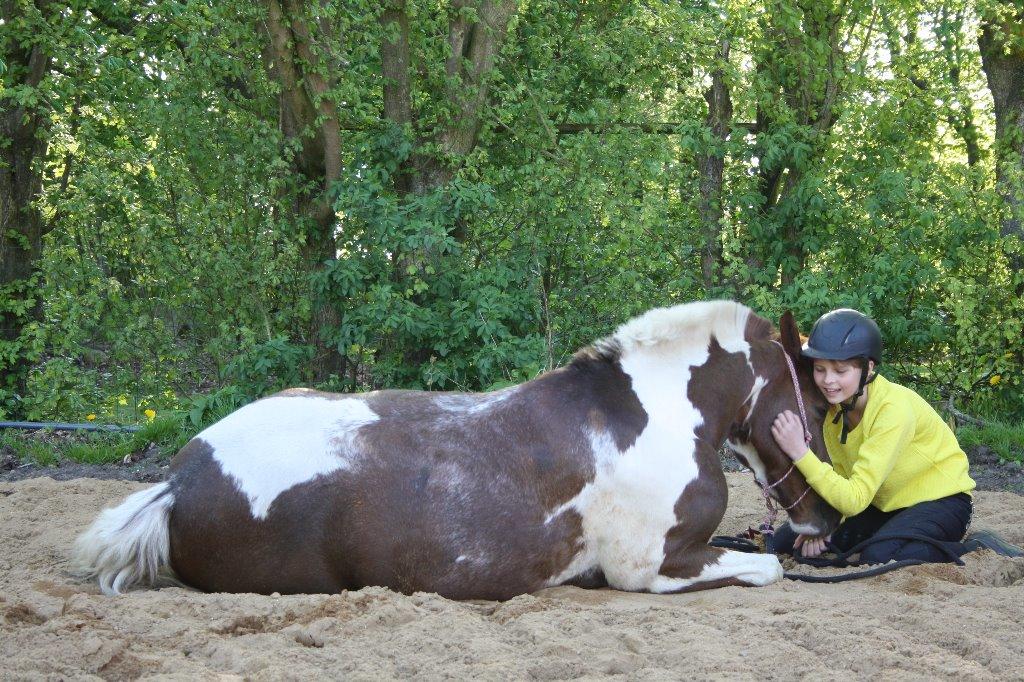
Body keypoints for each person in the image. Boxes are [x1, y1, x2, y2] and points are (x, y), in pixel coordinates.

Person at [768, 308, 1023, 563]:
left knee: (881, 556)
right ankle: (880, 539)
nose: (828, 381)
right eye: (820, 369)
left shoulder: (893, 410)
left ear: (867, 368)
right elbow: (842, 481)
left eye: (840, 371)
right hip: (884, 504)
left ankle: (978, 546)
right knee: (785, 541)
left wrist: (800, 453)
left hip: (941, 502)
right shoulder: (833, 409)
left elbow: (854, 498)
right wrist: (824, 523)